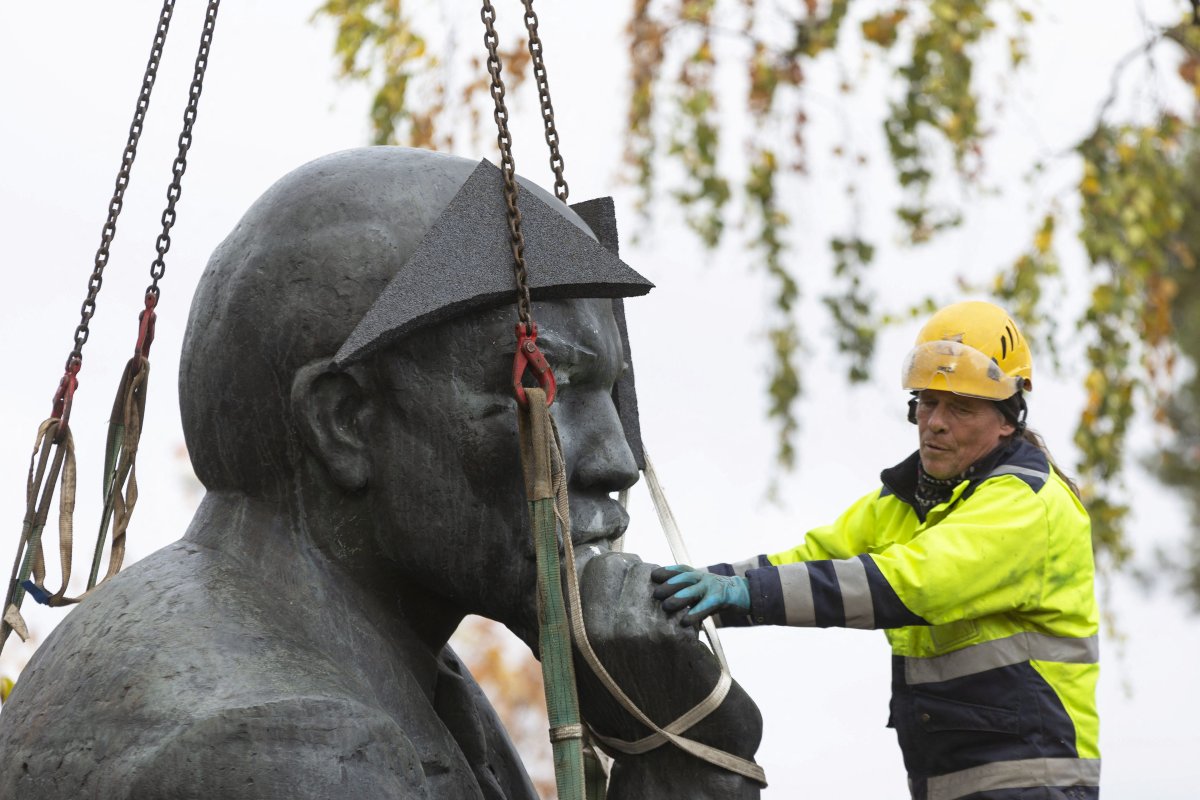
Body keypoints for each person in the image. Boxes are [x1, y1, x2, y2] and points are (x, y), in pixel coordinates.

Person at [0, 147, 763, 799]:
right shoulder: (285, 744)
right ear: (345, 422)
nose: (617, 462)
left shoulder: (417, 684)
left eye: (614, 395)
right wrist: (681, 758)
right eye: (543, 391)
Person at [653, 300, 1100, 800]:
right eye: (927, 401)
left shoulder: (1026, 503)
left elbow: (914, 583)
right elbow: (812, 560)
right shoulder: (905, 501)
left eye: (961, 407)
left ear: (1007, 421)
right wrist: (689, 587)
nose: (935, 422)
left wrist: (742, 593)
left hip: (1034, 787)